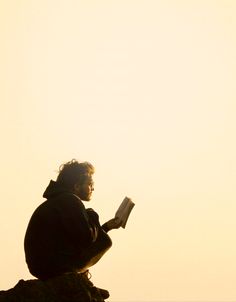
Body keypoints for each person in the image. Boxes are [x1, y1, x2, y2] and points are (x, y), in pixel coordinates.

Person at [24, 159, 123, 298]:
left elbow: (75, 237)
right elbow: (86, 239)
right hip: (54, 265)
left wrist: (106, 227)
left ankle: (82, 283)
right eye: (89, 184)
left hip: (41, 265)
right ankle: (79, 282)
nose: (92, 188)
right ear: (76, 186)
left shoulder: (59, 200)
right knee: (106, 241)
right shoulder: (70, 200)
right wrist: (93, 216)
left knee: (102, 237)